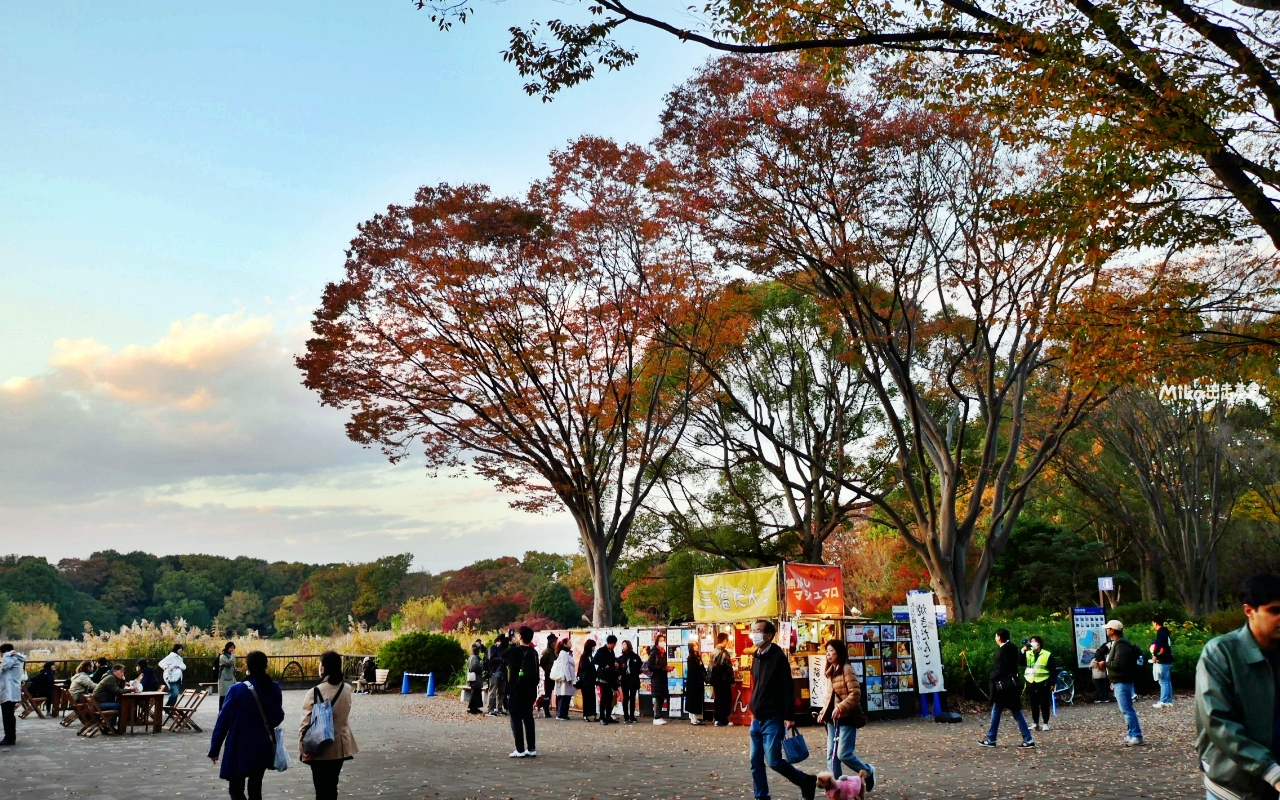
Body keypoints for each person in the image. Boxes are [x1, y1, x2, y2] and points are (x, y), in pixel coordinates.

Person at [1197, 574, 1280, 800]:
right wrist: (1271, 771)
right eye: (1274, 611)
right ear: (1248, 610)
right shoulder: (1220, 653)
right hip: (1233, 784)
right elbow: (1217, 721)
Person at [748, 619, 817, 800]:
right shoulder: (756, 656)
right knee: (755, 762)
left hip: (773, 718)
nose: (755, 634)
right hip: (757, 718)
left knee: (774, 761)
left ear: (769, 635)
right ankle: (761, 796)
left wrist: (789, 716)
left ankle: (805, 781)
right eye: (754, 630)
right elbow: (757, 686)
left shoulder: (778, 658)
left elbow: (787, 688)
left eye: (759, 631)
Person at [209, 650, 285, 800]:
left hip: (239, 745)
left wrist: (214, 749)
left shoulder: (237, 690)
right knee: (256, 788)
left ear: (247, 667)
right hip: (263, 743)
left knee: (236, 789)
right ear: (266, 666)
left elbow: (223, 721)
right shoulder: (273, 687)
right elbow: (278, 716)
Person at [817, 639, 875, 790]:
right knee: (832, 756)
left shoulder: (846, 669)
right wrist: (823, 712)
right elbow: (830, 696)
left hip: (847, 718)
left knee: (843, 754)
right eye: (826, 651)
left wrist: (842, 707)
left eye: (831, 651)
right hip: (832, 720)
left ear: (839, 652)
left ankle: (868, 771)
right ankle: (837, 788)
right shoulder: (831, 670)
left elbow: (855, 694)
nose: (828, 654)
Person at [300, 651, 358, 800]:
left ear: (323, 668)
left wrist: (303, 748)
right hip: (339, 745)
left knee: (320, 789)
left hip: (318, 746)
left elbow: (305, 723)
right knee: (332, 786)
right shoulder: (346, 689)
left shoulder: (314, 692)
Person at [979, 629, 1035, 748]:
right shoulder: (1013, 647)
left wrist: (992, 677)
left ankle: (992, 738)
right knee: (1015, 712)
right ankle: (1027, 738)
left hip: (1003, 687)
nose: (995, 638)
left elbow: (1000, 669)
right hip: (1013, 684)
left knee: (998, 711)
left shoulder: (1002, 651)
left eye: (996, 636)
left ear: (999, 637)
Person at [1103, 619, 1145, 746]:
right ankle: (1132, 733)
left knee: (1127, 709)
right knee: (1126, 708)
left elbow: (1118, 664)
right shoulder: (1120, 643)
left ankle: (1136, 735)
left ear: (1113, 630)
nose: (1106, 630)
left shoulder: (1120, 645)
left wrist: (1104, 664)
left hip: (1122, 681)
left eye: (1108, 628)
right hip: (1119, 681)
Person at [505, 626, 540, 757]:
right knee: (528, 718)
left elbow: (501, 654)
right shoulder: (533, 652)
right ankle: (531, 748)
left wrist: (508, 641)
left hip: (516, 690)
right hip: (530, 690)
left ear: (520, 637)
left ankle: (519, 749)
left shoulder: (514, 651)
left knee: (516, 718)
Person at [1021, 635, 1058, 731]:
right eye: (1031, 641)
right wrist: (1022, 650)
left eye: (1034, 642)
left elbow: (1053, 670)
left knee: (1044, 703)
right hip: (1030, 681)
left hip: (1043, 682)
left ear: (1039, 644)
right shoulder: (1028, 653)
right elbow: (1020, 662)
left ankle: (1045, 723)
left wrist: (1052, 683)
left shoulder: (1047, 654)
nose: (1032, 643)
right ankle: (1035, 723)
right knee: (1033, 704)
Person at [0, 644, 25, 746]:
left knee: (8, 716)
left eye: (2, 653)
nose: (1, 656)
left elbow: (5, 667)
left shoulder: (12, 658)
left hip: (9, 692)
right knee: (9, 715)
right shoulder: (17, 659)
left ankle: (9, 738)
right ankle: (10, 736)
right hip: (11, 691)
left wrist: (7, 655)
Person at [593, 635, 619, 725]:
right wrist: (604, 665)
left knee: (610, 697)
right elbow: (595, 660)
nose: (614, 645)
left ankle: (608, 716)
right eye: (614, 644)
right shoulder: (601, 651)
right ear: (609, 643)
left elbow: (612, 661)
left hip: (610, 677)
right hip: (602, 677)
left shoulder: (612, 651)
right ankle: (602, 717)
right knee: (604, 697)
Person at [711, 632, 735, 727]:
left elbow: (711, 666)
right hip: (724, 680)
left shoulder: (713, 652)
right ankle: (724, 719)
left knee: (718, 699)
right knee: (725, 699)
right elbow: (728, 668)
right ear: (725, 640)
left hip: (716, 680)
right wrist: (732, 680)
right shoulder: (724, 653)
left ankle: (717, 719)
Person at [648, 634, 672, 725]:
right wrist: (662, 668)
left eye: (664, 640)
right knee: (658, 697)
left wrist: (666, 668)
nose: (663, 642)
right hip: (657, 678)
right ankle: (656, 717)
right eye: (661, 640)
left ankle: (659, 716)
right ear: (657, 641)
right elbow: (650, 665)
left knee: (661, 697)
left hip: (662, 678)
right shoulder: (654, 652)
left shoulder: (663, 652)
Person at [1151, 615, 1175, 708]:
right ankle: (1169, 700)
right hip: (1168, 659)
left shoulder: (1160, 633)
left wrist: (1155, 655)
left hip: (1163, 659)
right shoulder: (1166, 632)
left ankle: (1163, 700)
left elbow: (1158, 646)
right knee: (1167, 680)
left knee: (1163, 680)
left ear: (1155, 623)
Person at [618, 640, 643, 724]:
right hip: (625, 679)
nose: (623, 647)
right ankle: (626, 716)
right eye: (622, 645)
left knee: (632, 698)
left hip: (633, 680)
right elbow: (618, 669)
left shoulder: (635, 657)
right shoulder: (621, 658)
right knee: (625, 698)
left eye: (625, 645)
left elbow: (640, 666)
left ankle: (632, 716)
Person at [552, 640, 576, 720]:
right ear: (565, 644)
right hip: (564, 679)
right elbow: (565, 666)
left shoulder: (568, 653)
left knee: (566, 696)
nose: (571, 644)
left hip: (567, 678)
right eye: (569, 642)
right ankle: (561, 714)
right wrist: (568, 678)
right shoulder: (563, 653)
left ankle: (563, 713)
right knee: (563, 696)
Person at [159, 643, 187, 708]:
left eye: (182, 649)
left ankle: (170, 708)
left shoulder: (179, 658)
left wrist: (178, 666)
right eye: (180, 649)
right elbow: (161, 663)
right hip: (170, 677)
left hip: (178, 677)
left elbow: (184, 666)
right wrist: (167, 668)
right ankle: (167, 708)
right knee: (174, 693)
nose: (181, 650)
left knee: (175, 694)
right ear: (176, 649)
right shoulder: (171, 656)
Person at [487, 635, 509, 717]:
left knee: (502, 691)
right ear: (499, 640)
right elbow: (491, 659)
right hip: (494, 672)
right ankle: (490, 709)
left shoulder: (504, 649)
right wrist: (502, 660)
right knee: (493, 691)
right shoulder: (492, 648)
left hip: (503, 672)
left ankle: (499, 708)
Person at [686, 640, 706, 725]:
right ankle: (693, 718)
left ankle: (697, 718)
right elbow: (694, 671)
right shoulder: (691, 657)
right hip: (693, 682)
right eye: (694, 646)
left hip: (698, 682)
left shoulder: (698, 656)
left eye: (697, 645)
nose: (696, 647)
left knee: (697, 700)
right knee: (693, 700)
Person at [577, 639, 598, 721]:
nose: (594, 648)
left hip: (591, 680)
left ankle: (593, 713)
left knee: (592, 697)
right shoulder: (584, 656)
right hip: (585, 680)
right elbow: (583, 667)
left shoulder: (590, 656)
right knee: (586, 698)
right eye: (593, 647)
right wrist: (592, 662)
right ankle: (586, 715)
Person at [539, 633, 558, 718]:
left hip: (556, 675)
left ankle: (559, 710)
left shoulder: (555, 652)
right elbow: (542, 662)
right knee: (548, 694)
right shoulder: (546, 652)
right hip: (549, 675)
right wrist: (547, 669)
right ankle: (546, 711)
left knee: (558, 692)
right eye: (554, 641)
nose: (556, 643)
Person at [467, 643, 486, 714]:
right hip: (475, 678)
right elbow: (475, 667)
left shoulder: (472, 657)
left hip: (475, 677)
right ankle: (472, 708)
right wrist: (482, 668)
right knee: (475, 693)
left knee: (477, 692)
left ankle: (475, 707)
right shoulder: (474, 658)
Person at [218, 643, 238, 708]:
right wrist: (233, 655)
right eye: (231, 648)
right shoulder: (222, 656)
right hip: (224, 680)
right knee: (224, 696)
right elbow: (229, 663)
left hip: (231, 679)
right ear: (227, 648)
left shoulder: (230, 656)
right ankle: (221, 712)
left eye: (233, 648)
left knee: (231, 696)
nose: (232, 650)